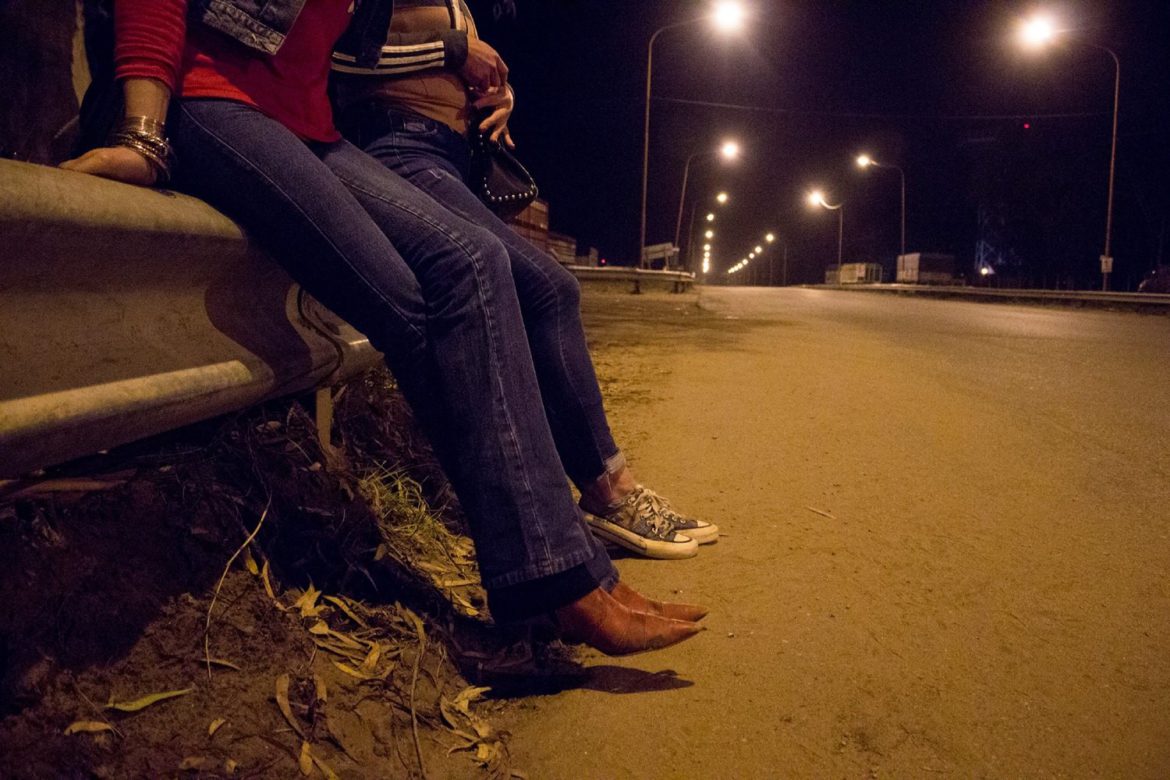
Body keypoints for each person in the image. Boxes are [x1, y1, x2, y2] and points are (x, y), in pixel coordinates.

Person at [60, 0, 705, 656]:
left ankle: (570, 576)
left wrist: (483, 86)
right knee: (421, 301)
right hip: (206, 93)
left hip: (306, 123)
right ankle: (557, 584)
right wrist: (143, 136)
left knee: (473, 261)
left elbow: (349, 50)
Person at [329, 0, 719, 561]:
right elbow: (337, 55)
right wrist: (454, 51)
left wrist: (497, 97)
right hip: (396, 146)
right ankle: (603, 494)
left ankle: (592, 490)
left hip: (446, 155)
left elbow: (440, 65)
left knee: (543, 289)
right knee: (540, 286)